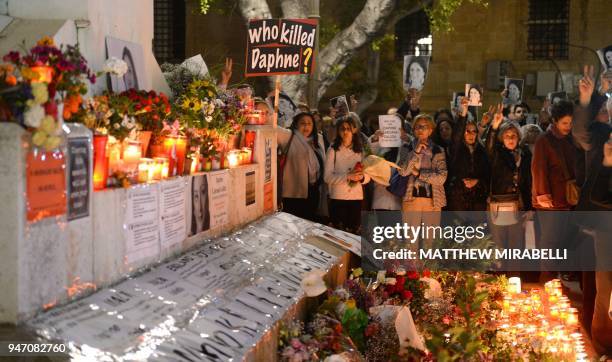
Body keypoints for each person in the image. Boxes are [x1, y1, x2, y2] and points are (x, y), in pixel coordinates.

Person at [572, 65, 612, 355]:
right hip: (606, 226)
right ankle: (602, 345)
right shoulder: (602, 137)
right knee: (605, 290)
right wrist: (587, 99)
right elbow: (581, 132)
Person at [531, 99, 578, 282]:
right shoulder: (545, 140)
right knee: (550, 244)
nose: (568, 126)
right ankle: (547, 282)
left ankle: (556, 282)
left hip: (567, 199)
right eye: (565, 123)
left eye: (571, 123)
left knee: (561, 244)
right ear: (555, 121)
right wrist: (543, 194)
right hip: (550, 203)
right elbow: (538, 169)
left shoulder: (571, 139)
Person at [485, 104, 532, 258]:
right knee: (499, 245)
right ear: (501, 138)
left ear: (519, 137)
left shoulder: (525, 155)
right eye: (507, 136)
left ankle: (513, 278)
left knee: (516, 245)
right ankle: (499, 278)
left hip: (519, 204)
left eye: (513, 135)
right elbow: (489, 146)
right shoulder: (497, 154)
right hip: (500, 202)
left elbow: (529, 182)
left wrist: (530, 206)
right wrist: (494, 126)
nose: (510, 139)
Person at [398, 114, 447, 246]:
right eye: (418, 126)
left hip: (433, 200)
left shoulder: (438, 150)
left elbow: (441, 177)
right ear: (413, 130)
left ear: (430, 130)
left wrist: (419, 173)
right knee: (411, 243)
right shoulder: (406, 148)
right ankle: (412, 267)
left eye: (424, 126)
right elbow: (402, 171)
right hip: (411, 198)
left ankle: (428, 268)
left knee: (430, 244)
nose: (421, 129)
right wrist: (416, 152)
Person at [324, 116, 370, 233]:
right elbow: (327, 177)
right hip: (338, 197)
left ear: (353, 130)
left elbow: (369, 175)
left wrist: (362, 177)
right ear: (338, 131)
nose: (345, 132)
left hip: (356, 197)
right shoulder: (333, 150)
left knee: (354, 233)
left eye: (348, 129)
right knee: (339, 233)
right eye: (342, 129)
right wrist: (348, 176)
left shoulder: (360, 150)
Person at [278, 112, 325, 222]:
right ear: (295, 125)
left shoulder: (317, 140)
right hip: (294, 194)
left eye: (309, 123)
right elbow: (274, 128)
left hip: (313, 193)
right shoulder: (289, 136)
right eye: (302, 123)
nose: (306, 126)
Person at [447, 98, 490, 211]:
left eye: (474, 131)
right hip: (458, 200)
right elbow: (456, 136)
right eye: (467, 131)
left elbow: (487, 175)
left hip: (478, 200)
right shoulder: (457, 148)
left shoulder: (482, 151)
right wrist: (464, 112)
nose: (471, 134)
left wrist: (477, 181)